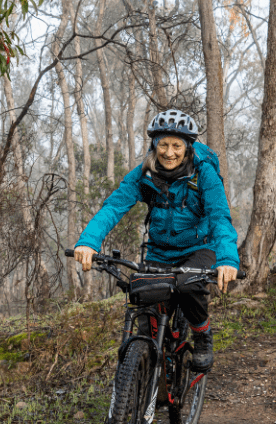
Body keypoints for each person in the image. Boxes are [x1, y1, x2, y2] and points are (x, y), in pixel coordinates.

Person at [73, 109, 238, 372]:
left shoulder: (203, 173)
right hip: (159, 252)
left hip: (199, 248)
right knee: (147, 313)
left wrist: (228, 259)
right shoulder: (145, 173)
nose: (169, 152)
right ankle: (145, 381)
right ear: (154, 145)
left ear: (188, 147)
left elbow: (219, 216)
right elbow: (114, 206)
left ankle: (202, 335)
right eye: (163, 144)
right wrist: (89, 242)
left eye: (176, 145)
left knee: (189, 287)